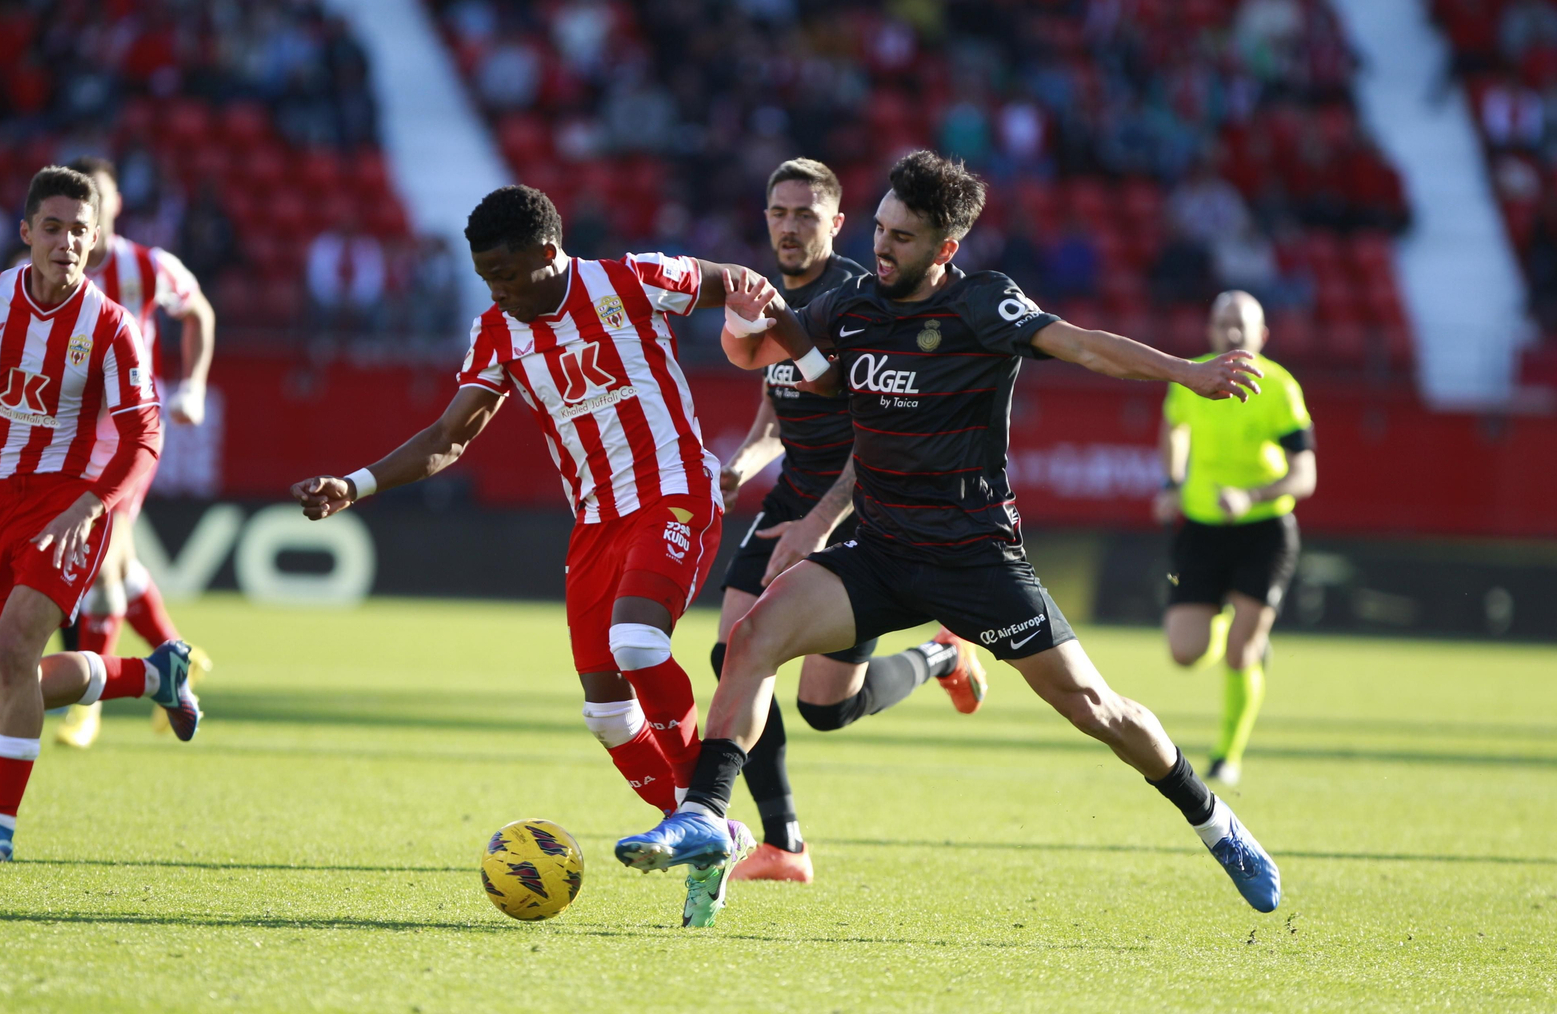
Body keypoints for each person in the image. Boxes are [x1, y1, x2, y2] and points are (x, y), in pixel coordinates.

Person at [615, 151, 1282, 925]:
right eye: (880, 229)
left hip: (975, 560)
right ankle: (706, 813)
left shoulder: (983, 306)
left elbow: (1087, 344)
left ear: (945, 249)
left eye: (902, 237)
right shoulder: (853, 305)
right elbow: (767, 356)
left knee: (1096, 708)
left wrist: (1188, 373)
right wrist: (743, 311)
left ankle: (1216, 823)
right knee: (748, 637)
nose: (883, 248)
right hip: (882, 551)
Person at [291, 184, 810, 920]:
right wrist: (356, 482)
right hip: (595, 523)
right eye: (485, 278)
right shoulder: (497, 333)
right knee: (605, 714)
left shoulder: (630, 279)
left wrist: (804, 357)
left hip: (674, 494)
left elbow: (729, 281)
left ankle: (701, 809)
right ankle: (709, 832)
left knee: (636, 639)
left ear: (547, 252)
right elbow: (450, 438)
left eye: (506, 273)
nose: (497, 290)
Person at [715, 158, 987, 884]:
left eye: (808, 214)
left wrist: (827, 521)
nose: (791, 226)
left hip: (862, 505)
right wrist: (745, 461)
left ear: (838, 224)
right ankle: (784, 844)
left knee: (825, 711)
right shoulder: (767, 300)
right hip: (787, 501)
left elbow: (885, 431)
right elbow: (775, 407)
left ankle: (943, 657)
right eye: (780, 212)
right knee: (734, 651)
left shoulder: (862, 299)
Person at [0, 166, 200, 864]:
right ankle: (154, 677)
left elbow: (145, 436)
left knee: (14, 655)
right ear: (26, 232)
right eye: (53, 227)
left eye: (79, 232)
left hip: (70, 503)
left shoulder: (110, 327)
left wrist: (95, 505)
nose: (66, 242)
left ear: (94, 245)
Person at [51, 155, 216, 749]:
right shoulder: (42, 270)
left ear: (115, 203)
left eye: (97, 195)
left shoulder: (147, 265)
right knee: (116, 564)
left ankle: (86, 704)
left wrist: (192, 385)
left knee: (102, 559)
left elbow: (199, 311)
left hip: (129, 432)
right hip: (65, 436)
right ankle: (179, 659)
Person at [1153, 290, 1315, 788]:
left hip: (1263, 531)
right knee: (1185, 653)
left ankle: (1227, 754)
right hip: (1201, 529)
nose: (1233, 332)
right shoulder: (1192, 377)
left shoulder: (1282, 389)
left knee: (1240, 653)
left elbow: (1304, 475)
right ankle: (1231, 625)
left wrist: (1251, 496)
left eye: (1243, 324)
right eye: (1224, 323)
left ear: (1263, 335)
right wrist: (1172, 486)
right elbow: (1174, 428)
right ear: (1210, 331)